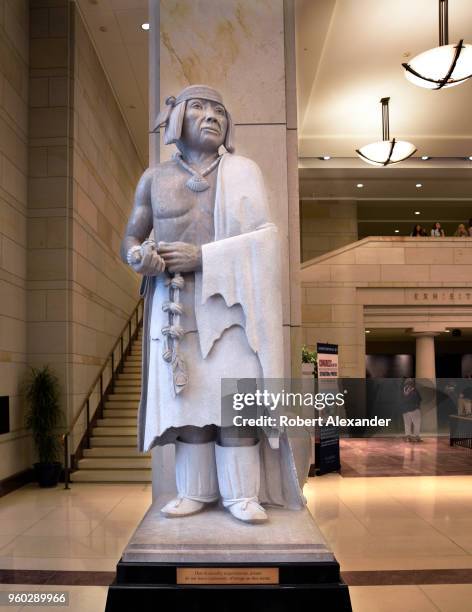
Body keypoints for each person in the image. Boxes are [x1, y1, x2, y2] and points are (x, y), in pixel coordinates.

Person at [121, 85, 307, 524]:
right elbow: (132, 235)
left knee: (234, 403)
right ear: (178, 118)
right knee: (189, 405)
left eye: (220, 110)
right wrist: (138, 256)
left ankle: (242, 494)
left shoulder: (244, 171)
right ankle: (195, 492)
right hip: (175, 306)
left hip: (233, 309)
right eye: (200, 108)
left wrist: (205, 256)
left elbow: (266, 240)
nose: (212, 116)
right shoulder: (154, 177)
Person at [401, 378, 422, 442]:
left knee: (407, 423)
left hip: (405, 409)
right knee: (417, 423)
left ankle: (408, 437)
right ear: (412, 383)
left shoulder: (403, 390)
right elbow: (419, 399)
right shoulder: (414, 390)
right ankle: (416, 437)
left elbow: (400, 400)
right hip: (414, 409)